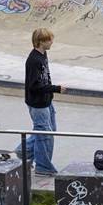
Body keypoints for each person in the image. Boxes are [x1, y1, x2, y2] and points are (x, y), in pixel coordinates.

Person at [17, 28, 66, 176]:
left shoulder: (43, 55)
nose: (52, 42)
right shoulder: (34, 60)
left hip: (46, 101)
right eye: (49, 40)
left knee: (48, 132)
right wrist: (56, 88)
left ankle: (21, 153)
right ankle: (43, 168)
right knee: (44, 135)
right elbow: (34, 85)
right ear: (40, 42)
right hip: (37, 104)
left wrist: (51, 93)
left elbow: (45, 77)